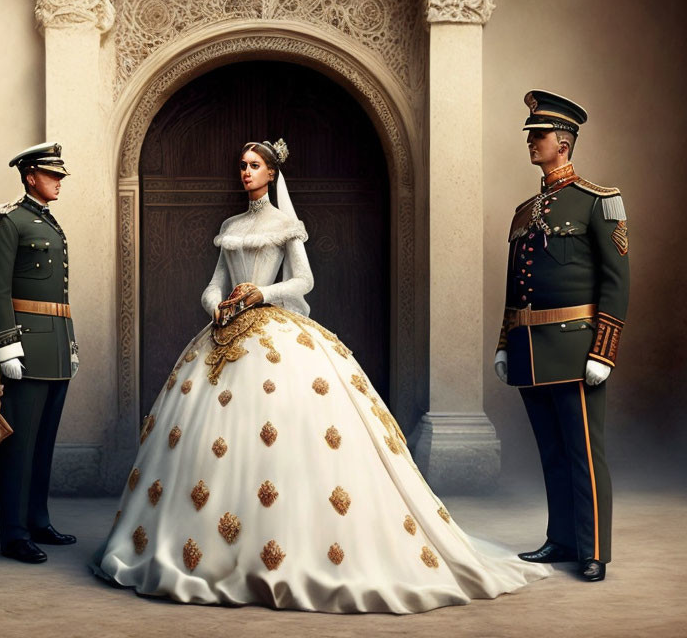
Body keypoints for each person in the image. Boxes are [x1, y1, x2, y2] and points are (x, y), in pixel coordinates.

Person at [91, 139, 550, 613]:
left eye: (253, 166)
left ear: (271, 173)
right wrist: (217, 305)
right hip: (225, 332)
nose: (245, 173)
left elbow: (303, 281)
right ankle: (215, 551)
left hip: (274, 330)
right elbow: (213, 282)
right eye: (242, 166)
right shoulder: (230, 226)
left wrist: (260, 294)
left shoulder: (285, 224)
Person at [494, 91, 630, 582]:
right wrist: (505, 343)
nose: (532, 142)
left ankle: (593, 550)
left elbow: (616, 282)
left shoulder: (598, 201)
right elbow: (516, 285)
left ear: (564, 144)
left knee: (584, 452)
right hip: (531, 348)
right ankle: (562, 538)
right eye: (532, 134)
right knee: (551, 450)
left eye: (540, 135)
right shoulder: (526, 209)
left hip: (576, 347)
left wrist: (604, 350)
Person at [0, 142, 78, 564]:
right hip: (24, 347)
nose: (58, 181)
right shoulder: (7, 220)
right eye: (52, 174)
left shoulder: (49, 224)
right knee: (18, 445)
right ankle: (14, 533)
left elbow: (59, 293)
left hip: (54, 348)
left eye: (60, 175)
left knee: (43, 444)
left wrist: (69, 345)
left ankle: (38, 519)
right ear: (30, 175)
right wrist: (5, 346)